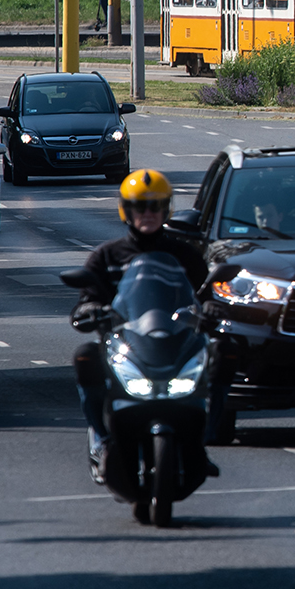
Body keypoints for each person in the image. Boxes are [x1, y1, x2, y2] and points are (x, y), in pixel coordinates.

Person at [70, 170, 211, 481]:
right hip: (124, 349)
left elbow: (206, 294)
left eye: (156, 206)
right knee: (84, 356)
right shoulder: (106, 255)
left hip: (175, 344)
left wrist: (213, 308)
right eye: (140, 207)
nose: (148, 213)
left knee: (225, 351)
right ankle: (102, 439)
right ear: (126, 209)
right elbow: (86, 299)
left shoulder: (186, 254)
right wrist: (90, 309)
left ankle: (205, 437)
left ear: (167, 209)